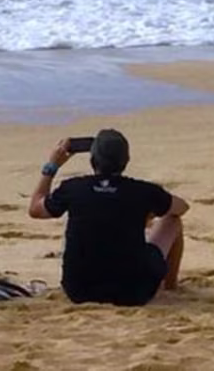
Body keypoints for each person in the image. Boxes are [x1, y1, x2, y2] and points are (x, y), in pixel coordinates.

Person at [28, 128, 189, 305]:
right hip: (133, 292)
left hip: (79, 291)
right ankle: (170, 286)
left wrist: (52, 166)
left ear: (92, 160)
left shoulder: (73, 188)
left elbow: (35, 209)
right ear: (126, 161)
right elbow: (181, 208)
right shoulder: (143, 191)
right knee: (172, 221)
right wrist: (146, 213)